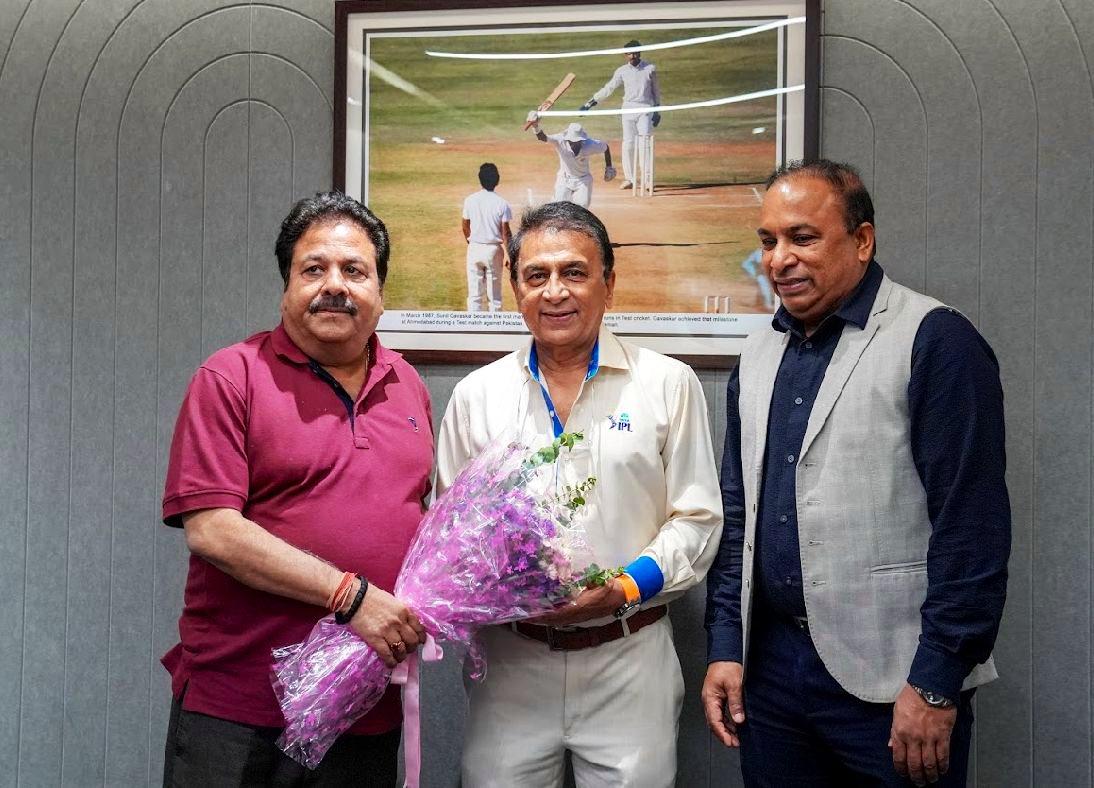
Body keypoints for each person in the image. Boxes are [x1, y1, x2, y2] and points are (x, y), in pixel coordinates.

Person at [702, 160, 1011, 788]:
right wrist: (727, 644)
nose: (779, 259)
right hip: (771, 677)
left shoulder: (936, 340)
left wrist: (936, 681)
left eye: (802, 238)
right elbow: (739, 516)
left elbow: (972, 528)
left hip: (896, 682)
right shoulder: (757, 354)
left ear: (862, 241)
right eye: (768, 241)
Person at [437, 201, 723, 787]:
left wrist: (624, 588)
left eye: (574, 272)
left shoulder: (667, 384)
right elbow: (452, 535)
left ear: (608, 285)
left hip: (629, 655)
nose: (554, 292)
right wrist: (502, 587)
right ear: (515, 287)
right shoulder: (477, 396)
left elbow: (697, 520)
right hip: (511, 661)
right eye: (536, 275)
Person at [159, 192, 434, 786]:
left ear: (380, 290)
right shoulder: (231, 377)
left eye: (354, 270)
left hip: (364, 706)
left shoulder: (408, 385)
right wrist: (351, 596)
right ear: (286, 286)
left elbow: (420, 514)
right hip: (242, 711)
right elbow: (212, 531)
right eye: (314, 269)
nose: (334, 285)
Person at [579, 40, 661, 191]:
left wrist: (657, 110)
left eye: (635, 53)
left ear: (640, 52)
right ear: (625, 55)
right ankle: (630, 179)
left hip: (645, 109)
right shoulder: (622, 71)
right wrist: (589, 103)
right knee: (628, 144)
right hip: (627, 109)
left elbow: (656, 91)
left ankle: (647, 180)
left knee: (645, 143)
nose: (633, 56)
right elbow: (609, 88)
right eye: (630, 53)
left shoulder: (650, 68)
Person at [524, 116, 615, 207]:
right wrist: (535, 126)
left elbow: (606, 147)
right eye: (572, 141)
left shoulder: (590, 145)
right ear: (567, 139)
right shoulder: (559, 140)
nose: (574, 143)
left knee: (582, 207)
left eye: (577, 141)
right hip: (564, 178)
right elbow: (542, 137)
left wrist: (609, 167)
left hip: (583, 180)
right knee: (559, 206)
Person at [462, 162, 512, 312]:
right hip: (493, 251)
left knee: (474, 296)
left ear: (480, 179)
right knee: (494, 299)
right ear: (497, 180)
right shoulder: (502, 203)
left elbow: (465, 226)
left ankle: (473, 325)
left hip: (474, 248)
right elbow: (506, 232)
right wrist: (510, 255)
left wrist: (473, 243)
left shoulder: (470, 200)